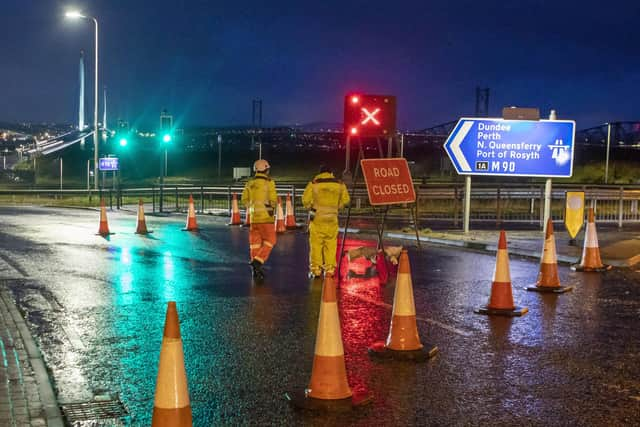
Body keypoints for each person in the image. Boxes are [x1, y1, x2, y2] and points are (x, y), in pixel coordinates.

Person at [302, 165, 350, 279]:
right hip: (332, 219)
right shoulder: (339, 184)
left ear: (320, 173)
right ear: (330, 172)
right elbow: (346, 200)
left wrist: (311, 208)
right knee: (331, 244)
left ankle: (316, 270)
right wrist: (338, 207)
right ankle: (329, 270)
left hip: (317, 219)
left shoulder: (314, 183)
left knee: (316, 245)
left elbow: (305, 200)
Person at [241, 159, 278, 280]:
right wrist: (271, 209)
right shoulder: (269, 183)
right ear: (266, 169)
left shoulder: (249, 183)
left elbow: (244, 200)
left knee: (254, 245)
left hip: (253, 219)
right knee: (271, 240)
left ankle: (255, 269)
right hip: (266, 218)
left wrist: (252, 209)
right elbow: (273, 200)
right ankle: (257, 261)